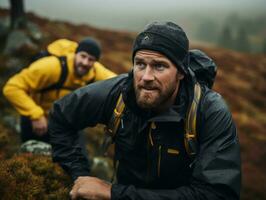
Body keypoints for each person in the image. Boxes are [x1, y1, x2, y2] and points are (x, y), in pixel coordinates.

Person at [48, 21, 241, 200]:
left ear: (181, 72)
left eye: (159, 66)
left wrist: (113, 193)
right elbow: (61, 115)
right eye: (140, 64)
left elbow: (217, 193)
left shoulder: (209, 112)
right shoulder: (118, 94)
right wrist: (80, 174)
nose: (146, 77)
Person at [3, 38, 116, 143]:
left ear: (96, 62)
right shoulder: (50, 67)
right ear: (75, 54)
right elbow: (12, 87)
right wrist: (35, 115)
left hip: (67, 123)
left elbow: (119, 83)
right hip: (37, 120)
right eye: (83, 56)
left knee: (78, 162)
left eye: (91, 60)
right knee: (33, 157)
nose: (85, 62)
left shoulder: (95, 72)